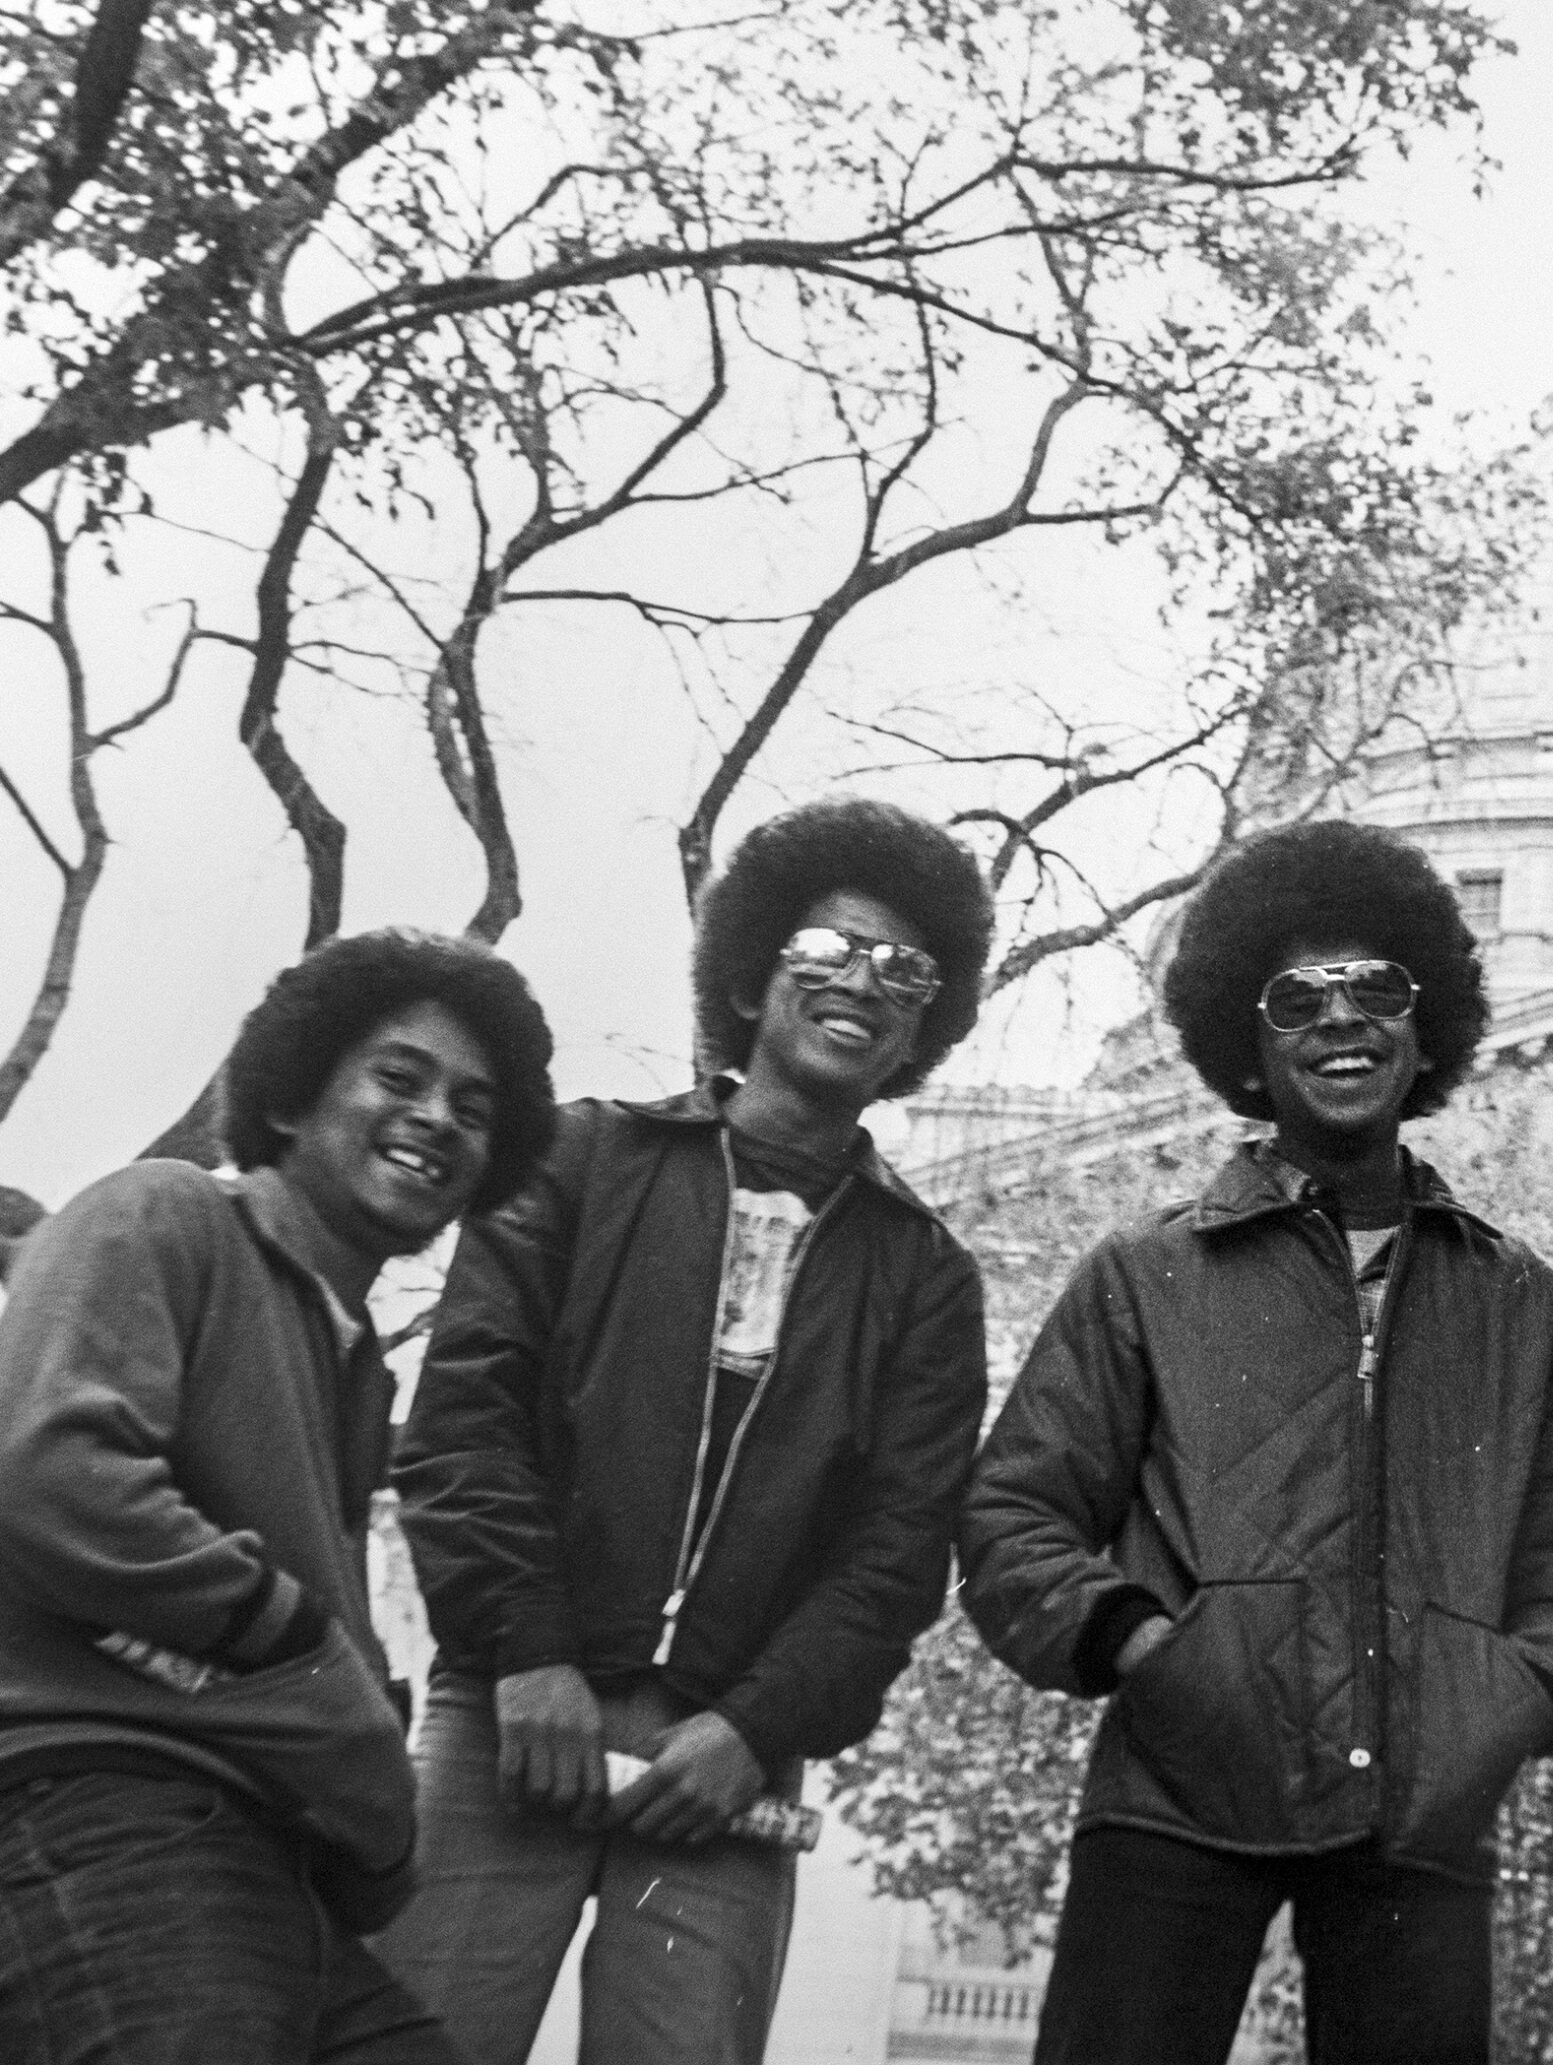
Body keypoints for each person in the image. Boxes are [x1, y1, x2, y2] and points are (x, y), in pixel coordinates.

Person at [961, 819, 1553, 2065]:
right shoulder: (1141, 1276)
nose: (1340, 1018)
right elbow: (1013, 1521)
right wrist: (1153, 1650)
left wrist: (1501, 1702)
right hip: (1176, 1791)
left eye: (1377, 987)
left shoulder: (1518, 1302)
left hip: (1420, 1815)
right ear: (1249, 1049)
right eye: (1294, 996)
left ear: (1426, 1031)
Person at [380, 796, 993, 2065]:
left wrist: (754, 1734)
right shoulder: (580, 1158)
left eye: (904, 969)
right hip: (510, 1714)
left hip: (728, 1771)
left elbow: (896, 1553)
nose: (862, 984)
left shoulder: (927, 1274)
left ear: (925, 1021)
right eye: (828, 949)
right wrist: (528, 1653)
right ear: (757, 969)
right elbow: (462, 1419)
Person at [0, 929, 558, 2064]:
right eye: (399, 1078)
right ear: (298, 1100)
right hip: (100, 1805)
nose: (437, 1117)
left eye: (474, 1106)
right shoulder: (162, 1215)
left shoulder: (359, 1370)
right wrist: (294, 1637)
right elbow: (55, 1476)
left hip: (272, 1864)